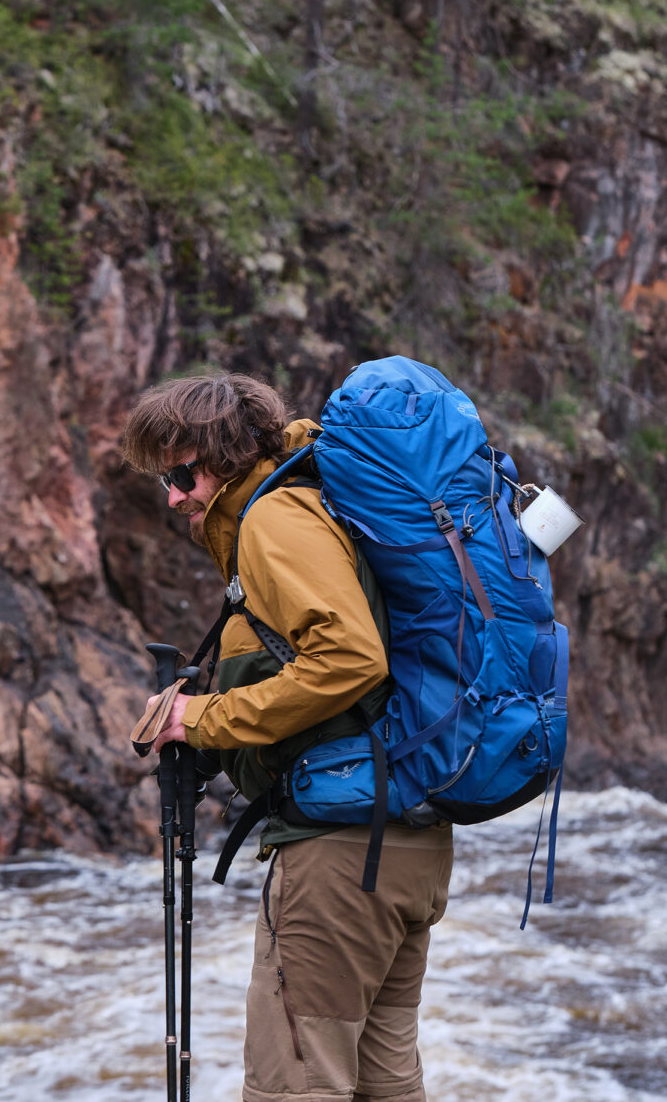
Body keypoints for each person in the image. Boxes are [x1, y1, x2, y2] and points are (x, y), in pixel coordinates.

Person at [123, 371, 454, 1102]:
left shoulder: (275, 521)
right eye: (164, 482)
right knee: (384, 1083)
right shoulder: (319, 505)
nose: (175, 497)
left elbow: (350, 658)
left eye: (181, 473)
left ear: (224, 452)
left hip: (340, 853)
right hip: (402, 840)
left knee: (293, 1085)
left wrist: (198, 719)